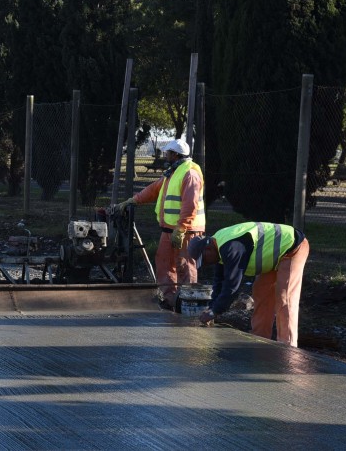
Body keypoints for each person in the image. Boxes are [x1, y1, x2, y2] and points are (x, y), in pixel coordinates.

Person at [113, 139, 205, 310]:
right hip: (170, 229)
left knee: (185, 266)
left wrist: (181, 228)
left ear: (175, 154)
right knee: (164, 262)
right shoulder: (173, 173)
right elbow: (154, 189)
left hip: (186, 231)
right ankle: (170, 301)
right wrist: (134, 200)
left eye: (167, 153)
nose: (165, 156)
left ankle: (188, 303)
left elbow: (190, 205)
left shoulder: (190, 174)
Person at [188, 222, 310, 347]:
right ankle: (259, 340)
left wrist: (215, 312)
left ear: (208, 249)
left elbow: (232, 286)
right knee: (261, 292)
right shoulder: (218, 247)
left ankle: (287, 347)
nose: (207, 264)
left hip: (291, 247)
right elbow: (219, 281)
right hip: (274, 257)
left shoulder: (231, 247)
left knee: (285, 297)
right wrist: (211, 308)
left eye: (205, 260)